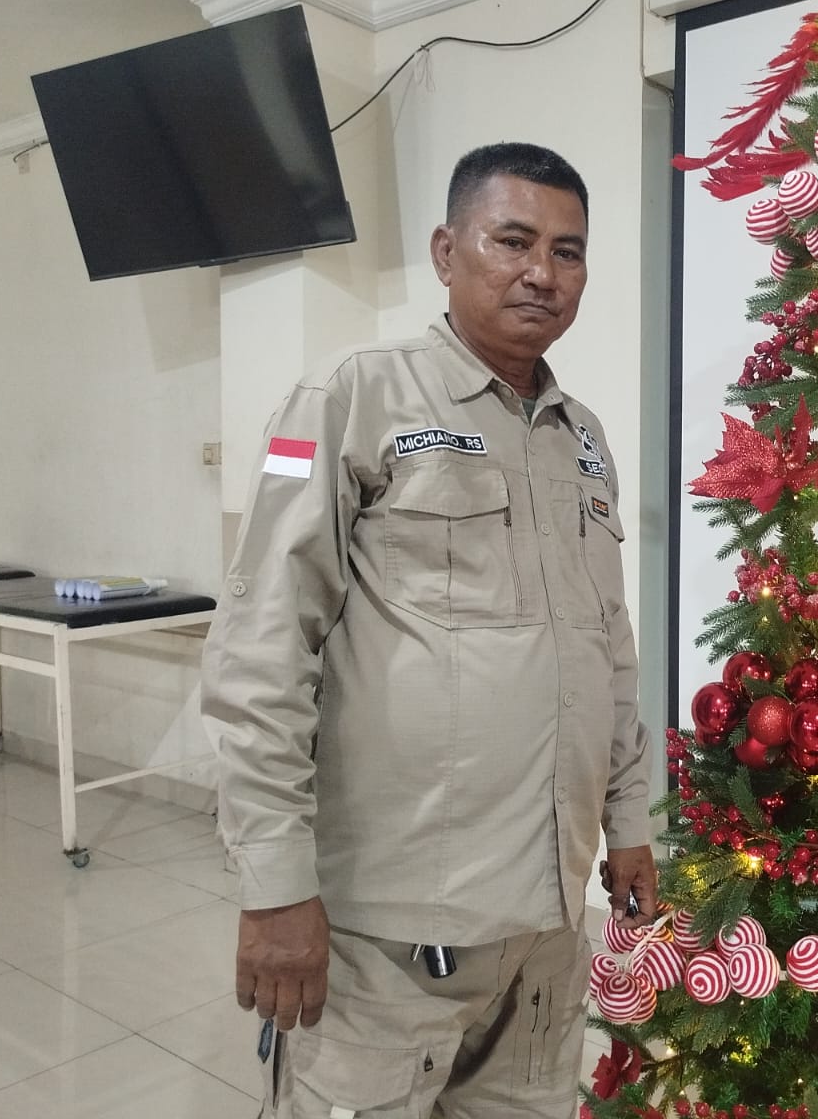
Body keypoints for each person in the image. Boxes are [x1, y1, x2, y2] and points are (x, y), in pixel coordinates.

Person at [201, 142, 658, 1118]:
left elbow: (606, 646)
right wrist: (276, 886)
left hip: (543, 924)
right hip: (386, 936)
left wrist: (628, 822)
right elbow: (259, 647)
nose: (542, 271)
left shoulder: (583, 440)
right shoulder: (344, 399)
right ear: (448, 252)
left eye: (569, 251)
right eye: (513, 240)